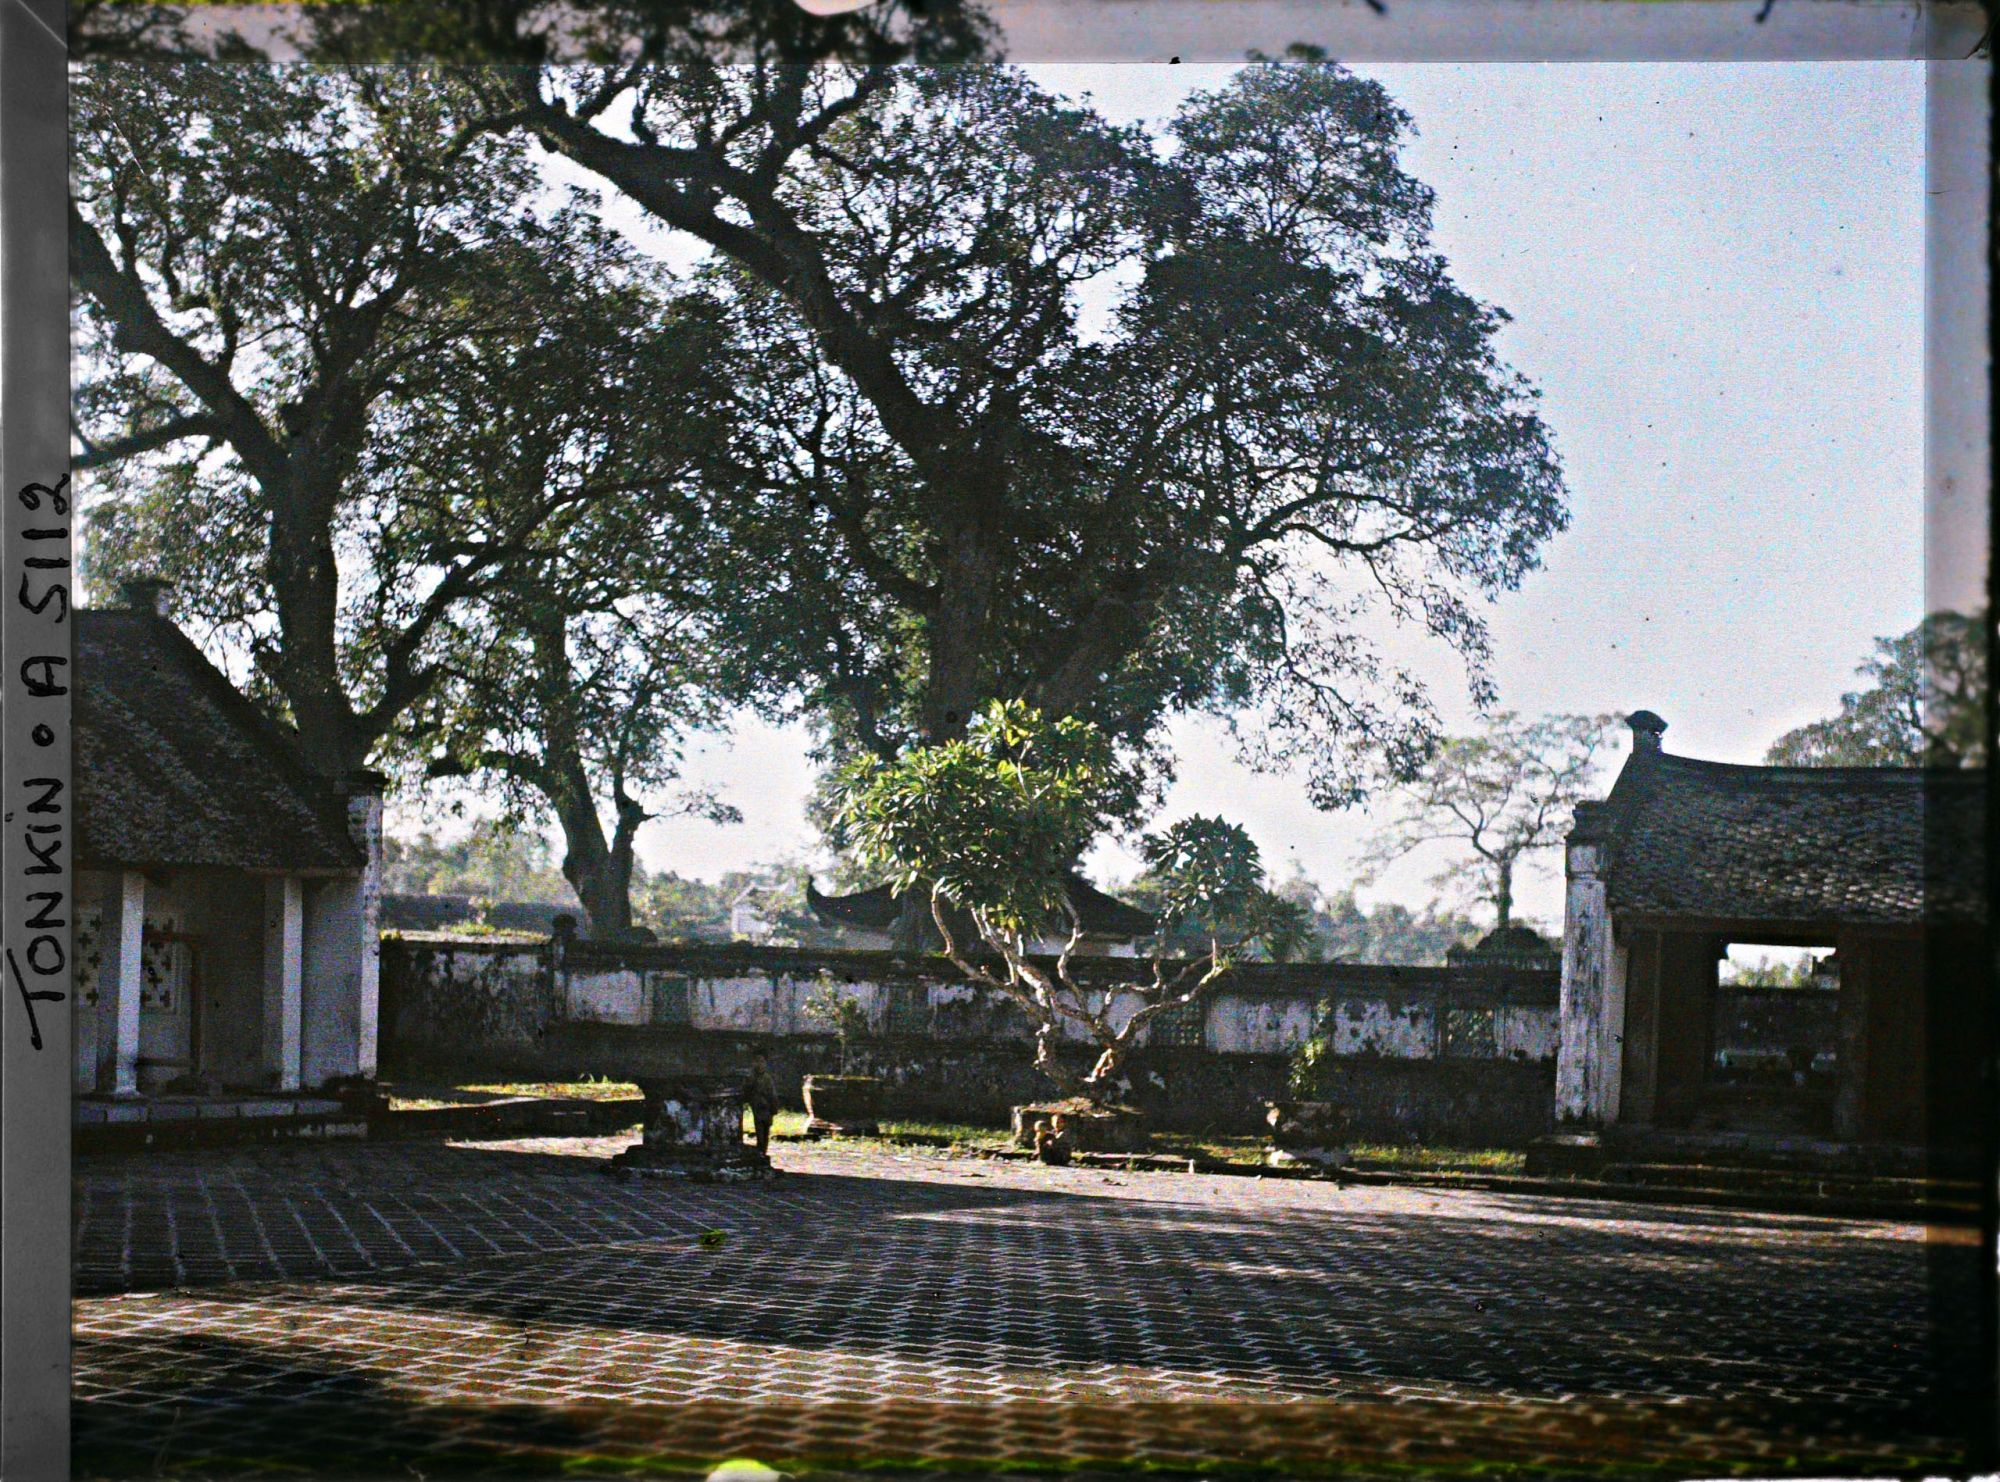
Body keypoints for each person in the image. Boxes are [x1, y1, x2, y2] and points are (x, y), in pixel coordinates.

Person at [744, 1050, 778, 1157]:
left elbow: (773, 1095)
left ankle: (763, 1152)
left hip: (766, 1108)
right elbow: (747, 1091)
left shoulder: (767, 1079)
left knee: (766, 1131)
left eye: (762, 1062)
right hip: (757, 1108)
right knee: (760, 1131)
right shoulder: (752, 1078)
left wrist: (773, 1109)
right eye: (757, 1061)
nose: (759, 1064)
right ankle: (760, 1151)